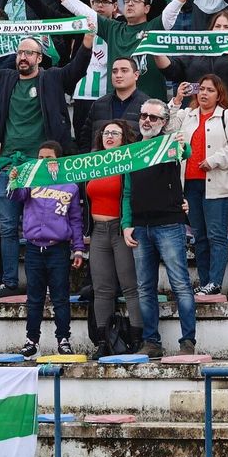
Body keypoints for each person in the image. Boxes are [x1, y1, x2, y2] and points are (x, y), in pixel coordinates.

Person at [0, 30, 95, 298]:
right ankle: (9, 282)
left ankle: (48, 283)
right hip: (9, 165)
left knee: (47, 223)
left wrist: (87, 42)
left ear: (39, 57)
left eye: (29, 53)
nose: (23, 57)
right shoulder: (5, 78)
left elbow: (76, 69)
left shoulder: (52, 78)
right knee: (6, 226)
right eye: (20, 53)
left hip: (42, 167)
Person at [126, 98, 195, 357]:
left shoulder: (170, 144)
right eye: (143, 115)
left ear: (164, 122)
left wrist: (181, 144)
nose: (146, 121)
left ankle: (187, 342)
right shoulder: (131, 150)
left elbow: (186, 152)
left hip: (169, 224)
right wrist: (126, 224)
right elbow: (127, 191)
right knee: (145, 288)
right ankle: (151, 342)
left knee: (180, 285)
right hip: (140, 226)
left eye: (153, 117)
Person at [10, 142, 85, 358]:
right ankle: (31, 341)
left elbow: (76, 219)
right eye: (40, 158)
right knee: (34, 298)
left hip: (58, 248)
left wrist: (78, 249)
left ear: (58, 160)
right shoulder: (31, 180)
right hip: (34, 248)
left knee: (60, 297)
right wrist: (15, 180)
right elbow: (16, 196)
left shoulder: (70, 185)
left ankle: (63, 340)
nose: (43, 162)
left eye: (48, 158)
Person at [175, 75, 228, 297]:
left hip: (218, 183)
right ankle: (205, 282)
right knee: (199, 236)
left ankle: (215, 282)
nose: (204, 93)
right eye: (202, 89)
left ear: (219, 95)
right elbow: (165, 127)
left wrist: (214, 160)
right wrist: (176, 100)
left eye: (210, 90)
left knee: (216, 235)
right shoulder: (187, 115)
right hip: (190, 185)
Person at [86, 119, 142, 356]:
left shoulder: (129, 162)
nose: (109, 136)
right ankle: (103, 341)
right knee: (102, 289)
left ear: (124, 138)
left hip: (120, 229)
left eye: (115, 133)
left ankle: (137, 338)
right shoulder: (92, 162)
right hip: (98, 231)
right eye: (106, 133)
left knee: (130, 287)